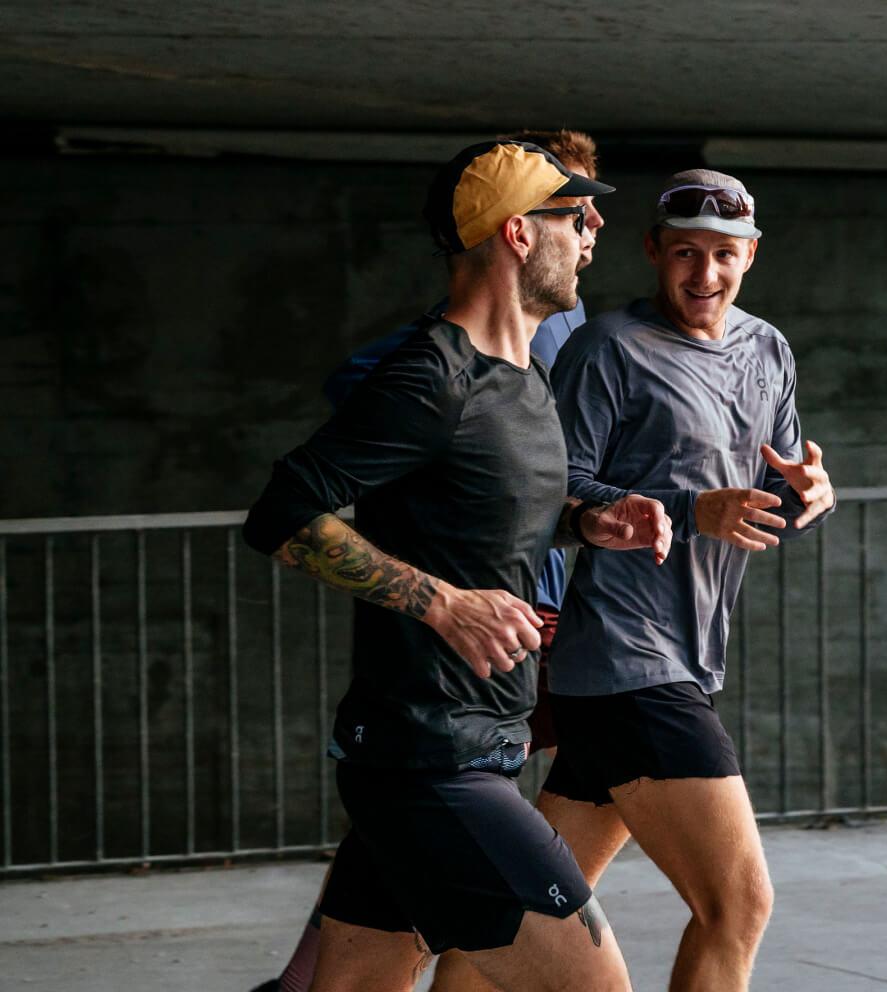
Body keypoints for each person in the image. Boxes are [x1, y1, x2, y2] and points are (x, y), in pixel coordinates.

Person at [242, 139, 672, 992]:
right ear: (517, 235)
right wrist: (442, 603)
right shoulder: (429, 377)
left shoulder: (522, 380)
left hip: (468, 751)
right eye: (571, 215)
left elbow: (489, 518)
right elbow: (284, 512)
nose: (591, 232)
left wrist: (589, 523)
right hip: (428, 761)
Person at [530, 169, 838, 992]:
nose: (705, 275)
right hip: (628, 660)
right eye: (686, 254)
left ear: (752, 255)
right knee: (737, 905)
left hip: (689, 658)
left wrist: (810, 494)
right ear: (653, 253)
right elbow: (549, 491)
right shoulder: (609, 349)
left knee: (529, 912)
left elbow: (769, 488)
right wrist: (687, 508)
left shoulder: (767, 347)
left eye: (724, 255)